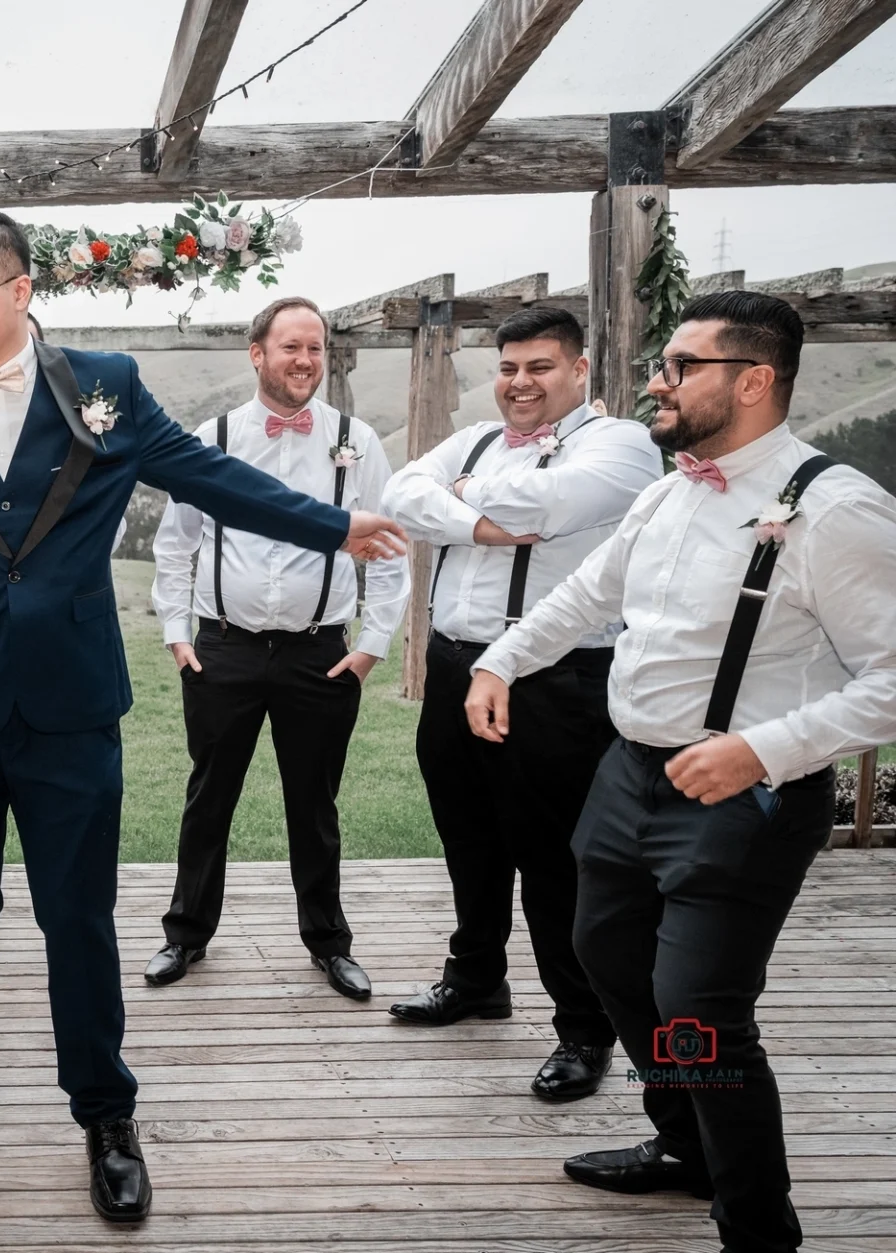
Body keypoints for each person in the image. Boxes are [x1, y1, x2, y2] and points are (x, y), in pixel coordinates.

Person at [0, 208, 407, 1223]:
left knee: (76, 919)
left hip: (72, 707)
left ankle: (106, 1115)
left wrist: (336, 524)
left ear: (19, 291)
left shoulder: (106, 385)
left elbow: (209, 478)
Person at [465, 292, 896, 1253]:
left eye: (679, 366)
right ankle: (683, 1145)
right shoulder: (666, 489)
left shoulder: (833, 508)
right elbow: (587, 593)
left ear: (753, 380)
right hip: (625, 781)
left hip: (744, 798)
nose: (655, 382)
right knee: (612, 964)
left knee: (702, 1010)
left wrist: (763, 748)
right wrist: (502, 659)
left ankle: (756, 1224)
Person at [380, 308, 661, 1101]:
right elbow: (402, 495)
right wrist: (482, 514)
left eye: (539, 366)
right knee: (468, 836)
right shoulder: (470, 439)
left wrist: (465, 500)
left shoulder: (623, 446)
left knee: (553, 856)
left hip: (556, 676)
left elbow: (555, 505)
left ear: (579, 370)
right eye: (508, 367)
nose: (519, 383)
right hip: (453, 663)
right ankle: (476, 978)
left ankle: (583, 1026)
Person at [145, 296, 409, 1000]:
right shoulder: (216, 435)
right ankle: (185, 934)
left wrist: (372, 646)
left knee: (314, 805)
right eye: (291, 346)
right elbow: (175, 545)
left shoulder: (357, 440)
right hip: (222, 651)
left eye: (315, 348)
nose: (305, 360)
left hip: (320, 654)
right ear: (256, 353)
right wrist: (178, 633)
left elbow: (387, 550)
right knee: (209, 798)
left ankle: (329, 942)